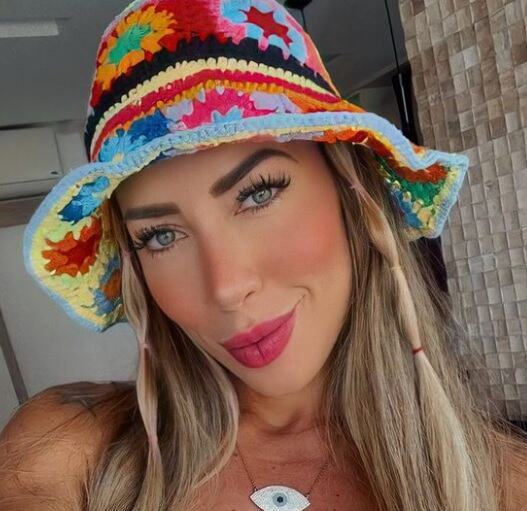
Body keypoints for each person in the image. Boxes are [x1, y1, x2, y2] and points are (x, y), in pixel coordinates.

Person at [1, 0, 526, 509]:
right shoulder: (68, 453)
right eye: (160, 236)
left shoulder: (505, 486)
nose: (227, 288)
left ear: (352, 197)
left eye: (257, 194)